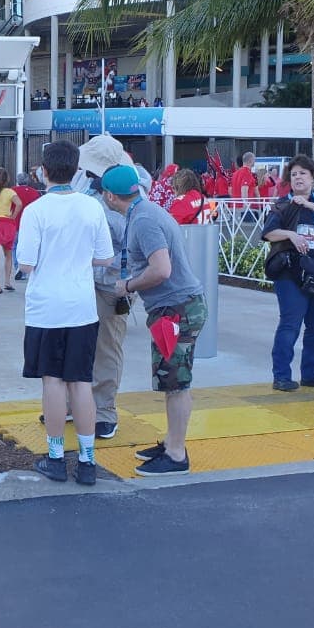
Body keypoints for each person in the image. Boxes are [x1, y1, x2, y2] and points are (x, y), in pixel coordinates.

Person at [17, 140, 114, 485]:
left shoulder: (36, 211)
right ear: (77, 172)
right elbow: (105, 257)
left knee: (53, 383)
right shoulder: (92, 208)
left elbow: (25, 264)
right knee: (81, 383)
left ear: (43, 171)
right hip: (82, 308)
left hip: (46, 309)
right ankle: (87, 462)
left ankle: (56, 457)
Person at [100, 164, 207, 477]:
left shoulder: (144, 220)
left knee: (176, 383)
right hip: (175, 307)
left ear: (109, 195)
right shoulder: (144, 212)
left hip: (176, 309)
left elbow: (162, 269)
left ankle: (176, 455)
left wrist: (128, 286)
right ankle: (172, 442)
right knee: (172, 381)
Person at [261, 154, 314, 392]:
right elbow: (268, 233)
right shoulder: (282, 203)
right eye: (295, 174)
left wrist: (308, 204)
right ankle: (281, 376)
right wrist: (290, 235)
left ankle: (311, 373)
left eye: (303, 174)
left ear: (313, 178)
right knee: (290, 325)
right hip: (291, 274)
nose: (298, 177)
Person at [75, 135, 138, 442]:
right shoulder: (87, 186)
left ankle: (103, 412)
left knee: (106, 347)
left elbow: (130, 237)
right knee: (78, 345)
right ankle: (79, 403)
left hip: (111, 283)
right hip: (83, 280)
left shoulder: (128, 194)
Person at [11, 172, 41, 280]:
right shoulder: (34, 193)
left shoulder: (12, 191)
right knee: (28, 246)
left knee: (14, 246)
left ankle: (17, 266)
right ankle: (27, 266)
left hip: (15, 223)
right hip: (30, 225)